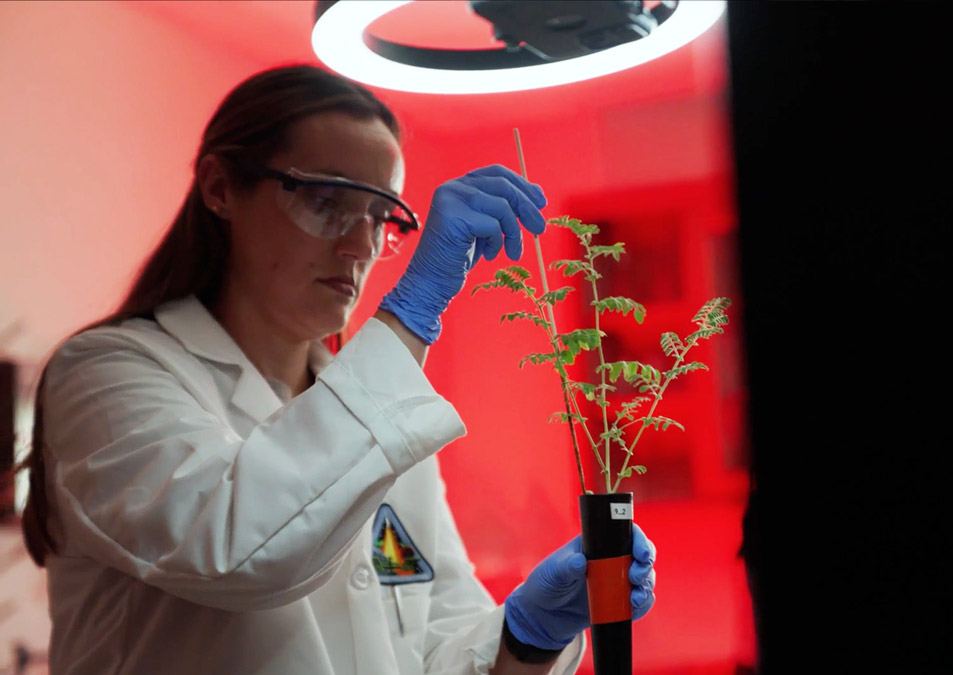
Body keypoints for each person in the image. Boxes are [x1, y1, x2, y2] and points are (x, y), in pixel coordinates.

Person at [16, 64, 656, 674]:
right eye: (326, 201)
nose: (360, 245)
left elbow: (435, 650)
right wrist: (412, 311)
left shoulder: (384, 422)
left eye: (382, 217)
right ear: (218, 187)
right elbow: (238, 548)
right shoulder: (106, 374)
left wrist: (528, 631)